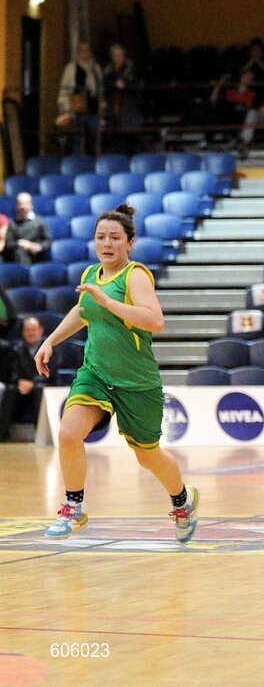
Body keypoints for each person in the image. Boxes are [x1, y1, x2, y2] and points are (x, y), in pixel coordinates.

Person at [32, 204, 199, 541]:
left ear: (130, 243)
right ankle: (73, 507)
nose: (107, 244)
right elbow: (83, 310)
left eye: (115, 238)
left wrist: (107, 301)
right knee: (68, 433)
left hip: (136, 382)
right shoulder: (91, 275)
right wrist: (50, 340)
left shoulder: (135, 275)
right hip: (96, 373)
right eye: (100, 237)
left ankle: (183, 500)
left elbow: (155, 321)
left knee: (147, 455)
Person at [0, 317, 55, 442]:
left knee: (39, 389)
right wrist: (19, 381)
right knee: (10, 389)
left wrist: (33, 382)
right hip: (22, 385)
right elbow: (12, 372)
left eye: (33, 330)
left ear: (40, 331)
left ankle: (40, 435)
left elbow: (51, 373)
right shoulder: (16, 349)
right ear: (23, 332)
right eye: (27, 330)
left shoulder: (49, 348)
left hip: (42, 384)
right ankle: (3, 434)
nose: (30, 333)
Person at [57, 41, 103, 155]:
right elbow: (64, 88)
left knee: (94, 137)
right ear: (78, 52)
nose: (85, 53)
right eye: (82, 50)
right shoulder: (72, 68)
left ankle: (93, 161)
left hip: (93, 107)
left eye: (87, 50)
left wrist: (102, 105)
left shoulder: (96, 68)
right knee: (77, 137)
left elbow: (100, 88)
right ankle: (77, 162)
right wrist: (63, 107)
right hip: (77, 107)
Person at [102, 43, 143, 154]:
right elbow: (105, 84)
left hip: (130, 111)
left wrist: (125, 84)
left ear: (124, 55)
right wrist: (115, 84)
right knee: (115, 145)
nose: (117, 57)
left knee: (132, 144)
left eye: (119, 54)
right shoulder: (108, 71)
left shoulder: (132, 68)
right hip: (113, 113)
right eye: (115, 55)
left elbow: (137, 85)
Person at [5, 193, 51, 265]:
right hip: (20, 256)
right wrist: (20, 243)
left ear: (31, 205)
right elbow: (8, 244)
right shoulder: (12, 223)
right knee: (19, 252)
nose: (23, 207)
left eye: (26, 203)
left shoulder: (40, 221)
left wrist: (39, 246)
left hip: (37, 255)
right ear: (17, 206)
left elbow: (48, 241)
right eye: (20, 204)